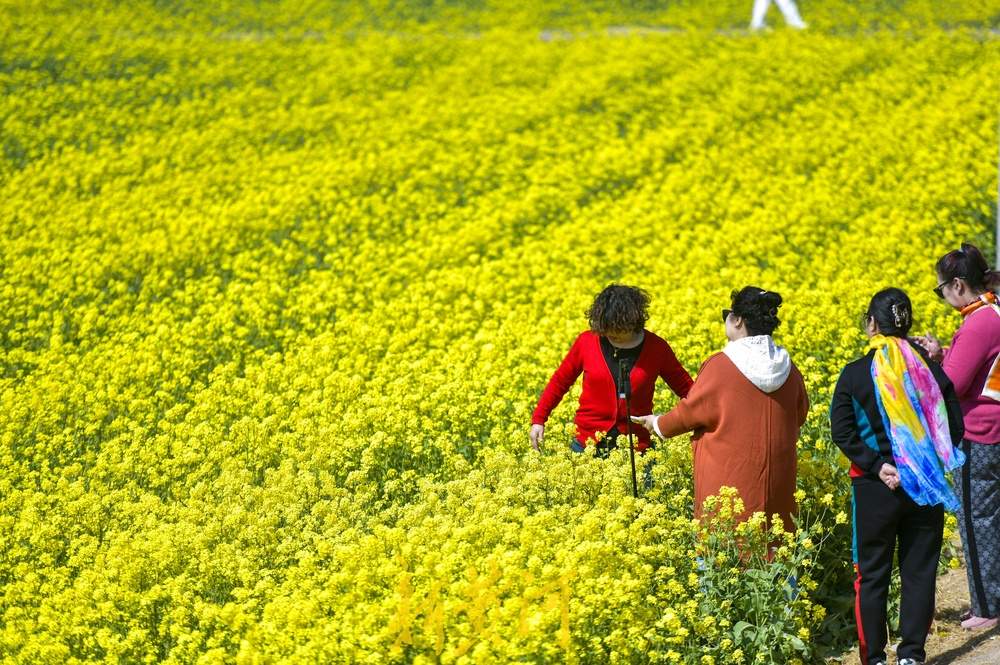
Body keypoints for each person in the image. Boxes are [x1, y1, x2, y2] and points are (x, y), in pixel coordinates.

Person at [831, 288, 965, 665]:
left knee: (871, 576)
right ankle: (911, 656)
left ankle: (873, 658)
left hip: (875, 488)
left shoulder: (855, 374)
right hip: (925, 487)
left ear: (872, 324)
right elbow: (953, 427)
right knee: (919, 573)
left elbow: (842, 432)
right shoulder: (931, 371)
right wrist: (925, 464)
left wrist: (877, 465)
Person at [633, 287, 808, 533]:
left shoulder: (721, 366)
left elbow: (690, 411)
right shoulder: (789, 368)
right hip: (778, 484)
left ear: (737, 320)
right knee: (775, 545)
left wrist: (658, 424)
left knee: (726, 545)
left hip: (727, 483)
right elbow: (800, 414)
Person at [913, 243, 1000, 632]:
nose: (942, 295)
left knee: (977, 518)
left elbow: (956, 382)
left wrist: (932, 365)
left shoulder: (979, 322)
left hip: (981, 432)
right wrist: (945, 351)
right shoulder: (993, 310)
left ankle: (987, 605)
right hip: (993, 426)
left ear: (959, 285)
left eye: (941, 288)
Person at [529, 284, 693, 460]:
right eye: (606, 326)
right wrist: (539, 419)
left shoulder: (656, 348)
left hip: (637, 450)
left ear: (633, 321)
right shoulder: (587, 342)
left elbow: (688, 390)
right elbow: (559, 382)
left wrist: (705, 417)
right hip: (586, 445)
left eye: (618, 327)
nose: (610, 332)